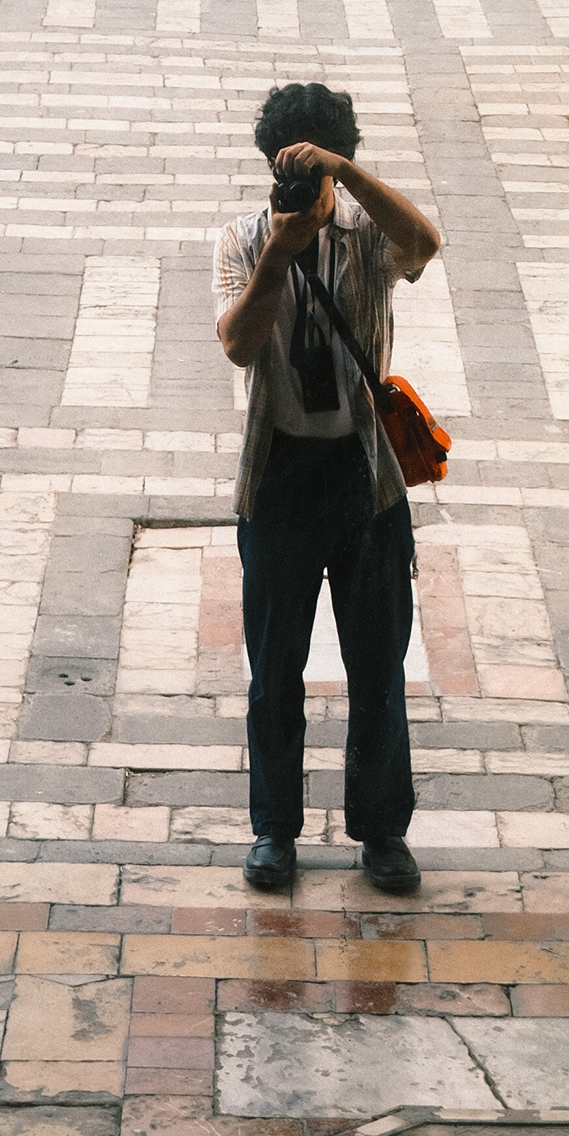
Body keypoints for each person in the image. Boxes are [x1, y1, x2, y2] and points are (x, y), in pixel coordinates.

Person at [214, 81, 442, 895]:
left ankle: (382, 832)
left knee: (377, 666)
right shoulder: (246, 238)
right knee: (274, 668)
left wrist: (348, 175)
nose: (305, 187)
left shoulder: (366, 234)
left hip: (364, 474)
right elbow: (239, 345)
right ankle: (274, 831)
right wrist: (281, 251)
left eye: (319, 168)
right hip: (279, 474)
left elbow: (424, 242)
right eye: (293, 171)